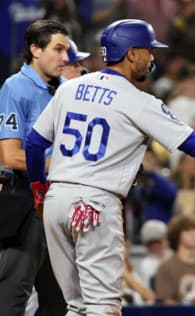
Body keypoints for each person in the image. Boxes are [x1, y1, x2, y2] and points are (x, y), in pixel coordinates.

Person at [24, 18, 195, 315]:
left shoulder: (69, 88)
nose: (152, 57)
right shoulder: (138, 101)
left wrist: (39, 190)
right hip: (94, 203)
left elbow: (34, 144)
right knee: (103, 306)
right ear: (131, 54)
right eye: (147, 50)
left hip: (56, 201)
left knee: (76, 307)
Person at [0, 19, 67, 316]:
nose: (65, 57)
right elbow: (11, 156)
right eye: (58, 49)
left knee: (62, 302)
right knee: (13, 298)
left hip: (60, 202)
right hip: (26, 204)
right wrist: (66, 165)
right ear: (35, 50)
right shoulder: (15, 88)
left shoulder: (66, 89)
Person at [138, 219, 172, 289]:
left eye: (159, 242)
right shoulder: (146, 264)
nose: (157, 246)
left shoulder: (172, 258)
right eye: (152, 243)